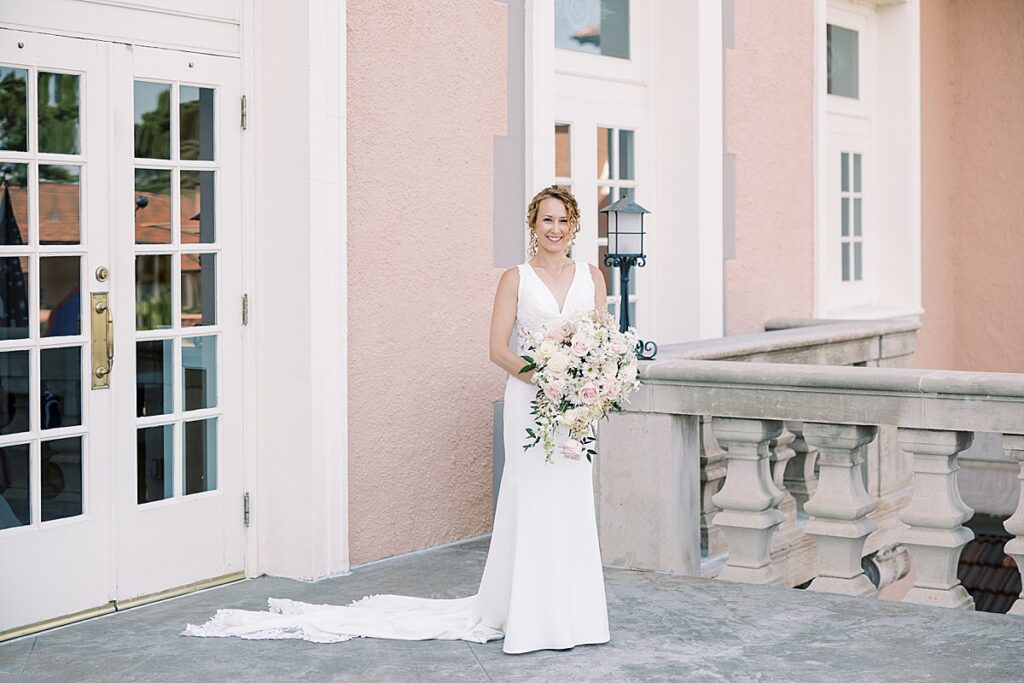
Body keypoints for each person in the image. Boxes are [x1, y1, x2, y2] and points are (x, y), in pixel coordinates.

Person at [183, 185, 611, 654]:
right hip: (531, 401)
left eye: (563, 220)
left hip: (575, 408)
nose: (555, 229)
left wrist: (586, 381)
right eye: (546, 220)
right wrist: (544, 376)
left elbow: (601, 343)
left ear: (575, 226)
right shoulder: (516, 278)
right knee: (530, 502)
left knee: (570, 503)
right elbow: (497, 349)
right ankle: (531, 617)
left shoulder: (592, 277)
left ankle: (576, 617)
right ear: (533, 225)